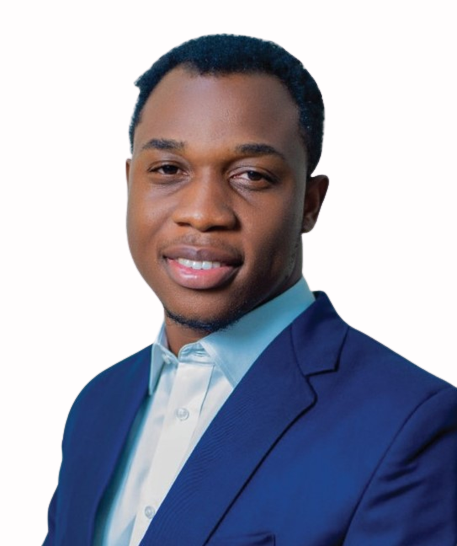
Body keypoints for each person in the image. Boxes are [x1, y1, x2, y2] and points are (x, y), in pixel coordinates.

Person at [43, 35, 457, 546]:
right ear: (131, 183)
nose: (202, 213)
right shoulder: (97, 405)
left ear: (310, 204)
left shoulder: (409, 426)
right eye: (168, 169)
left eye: (251, 176)